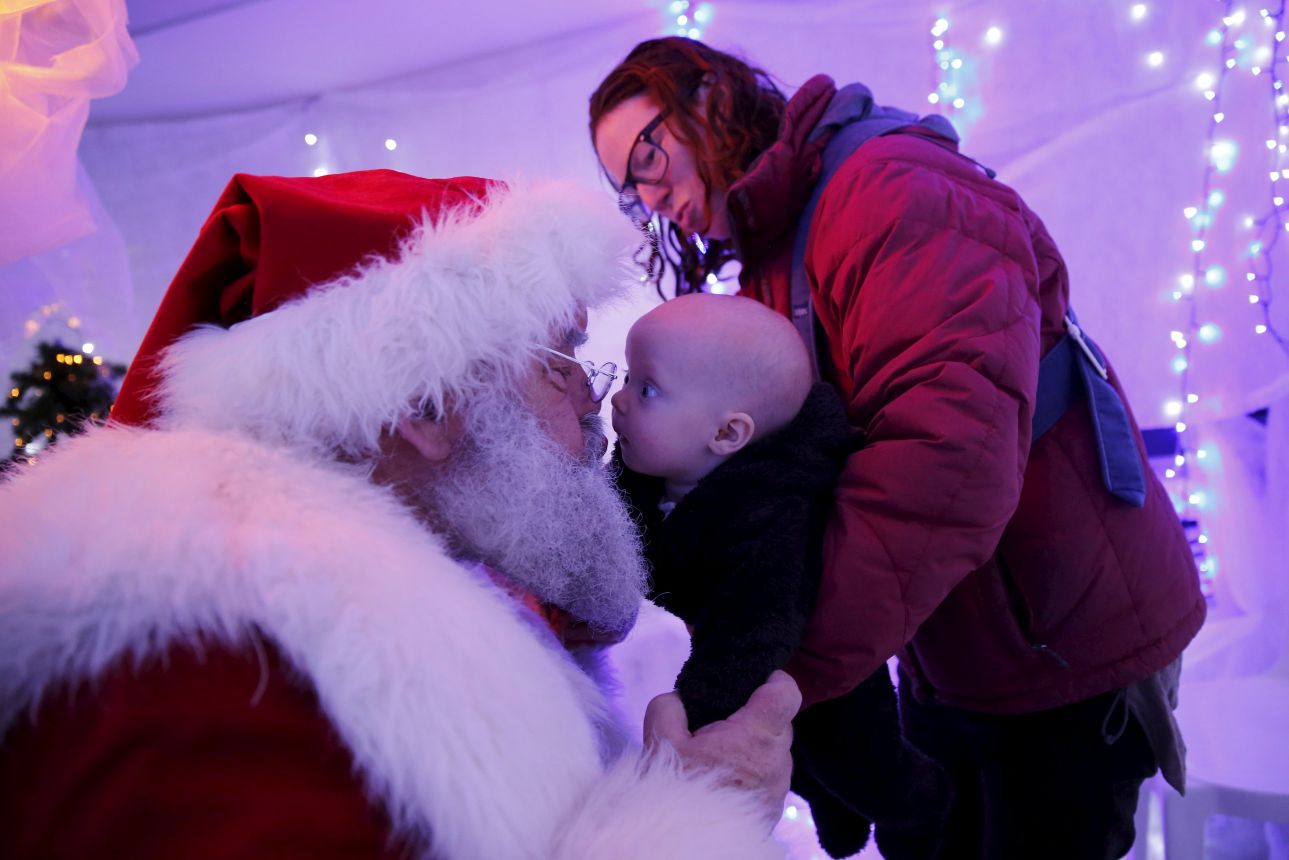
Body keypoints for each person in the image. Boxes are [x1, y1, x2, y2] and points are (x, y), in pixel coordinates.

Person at [0, 169, 800, 860]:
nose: (596, 401)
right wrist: (697, 816)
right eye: (560, 361)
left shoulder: (384, 597)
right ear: (426, 405)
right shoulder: (208, 664)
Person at [589, 38, 1206, 859]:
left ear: (710, 97)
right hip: (945, 635)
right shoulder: (778, 250)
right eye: (627, 187)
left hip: (1060, 637)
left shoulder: (892, 194)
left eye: (646, 154)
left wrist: (778, 679)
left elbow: (942, 464)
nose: (648, 194)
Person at [610, 292, 951, 859]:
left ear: (727, 434)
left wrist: (703, 719)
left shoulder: (772, 518)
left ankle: (921, 804)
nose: (619, 400)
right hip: (752, 658)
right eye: (626, 378)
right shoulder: (650, 469)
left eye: (646, 389)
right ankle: (835, 810)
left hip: (816, 671)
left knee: (859, 765)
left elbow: (752, 632)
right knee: (805, 772)